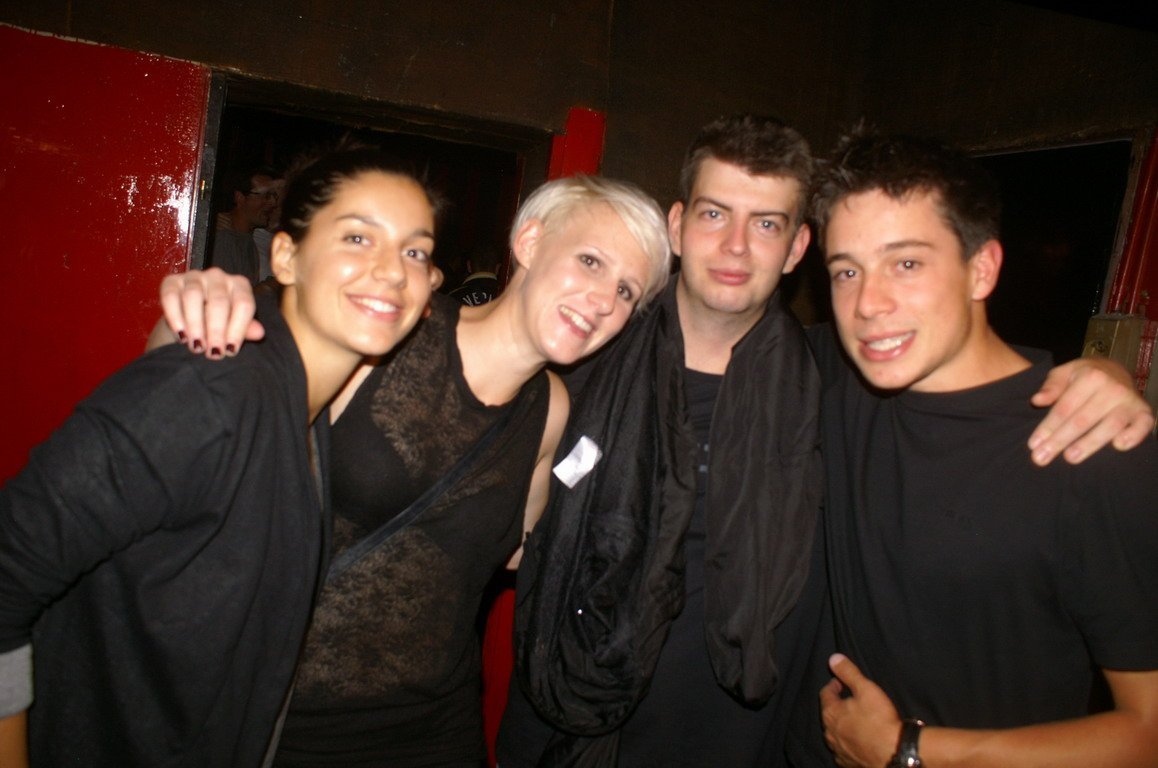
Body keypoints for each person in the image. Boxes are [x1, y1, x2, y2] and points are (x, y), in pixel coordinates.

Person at [497, 115, 1157, 767]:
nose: (871, 303)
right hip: (563, 730)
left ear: (795, 250)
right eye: (848, 272)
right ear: (677, 226)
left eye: (766, 224)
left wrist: (1105, 373)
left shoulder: (831, 382)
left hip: (747, 742)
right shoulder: (585, 354)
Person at [153, 173, 672, 766]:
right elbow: (182, 403)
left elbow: (519, 552)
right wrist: (203, 312)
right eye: (590, 261)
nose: (604, 300)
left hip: (435, 732)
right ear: (529, 242)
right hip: (282, 721)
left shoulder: (552, 409)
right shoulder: (392, 326)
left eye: (627, 291)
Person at [0, 147, 441, 766]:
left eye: (415, 252)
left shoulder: (303, 413)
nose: (393, 270)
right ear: (285, 257)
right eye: (357, 237)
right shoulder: (212, 392)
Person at [809, 131, 1158, 767]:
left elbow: (1148, 731)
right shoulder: (832, 381)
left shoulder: (1090, 446)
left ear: (982, 268)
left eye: (906, 263)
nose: (867, 305)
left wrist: (908, 752)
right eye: (847, 271)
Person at [211, 164, 281, 282]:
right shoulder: (223, 240)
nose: (273, 202)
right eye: (266, 195)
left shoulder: (248, 241)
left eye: (274, 196)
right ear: (240, 197)